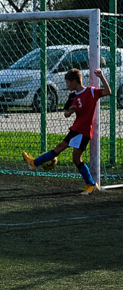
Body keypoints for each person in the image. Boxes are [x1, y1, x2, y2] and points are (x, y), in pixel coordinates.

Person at [22, 65, 110, 194]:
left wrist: (101, 77)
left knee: (65, 151)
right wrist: (70, 111)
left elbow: (108, 91)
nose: (67, 85)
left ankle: (34, 163)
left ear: (74, 82)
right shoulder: (72, 97)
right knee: (73, 157)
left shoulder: (91, 91)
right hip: (77, 129)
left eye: (68, 82)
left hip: (83, 130)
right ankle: (91, 184)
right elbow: (66, 114)